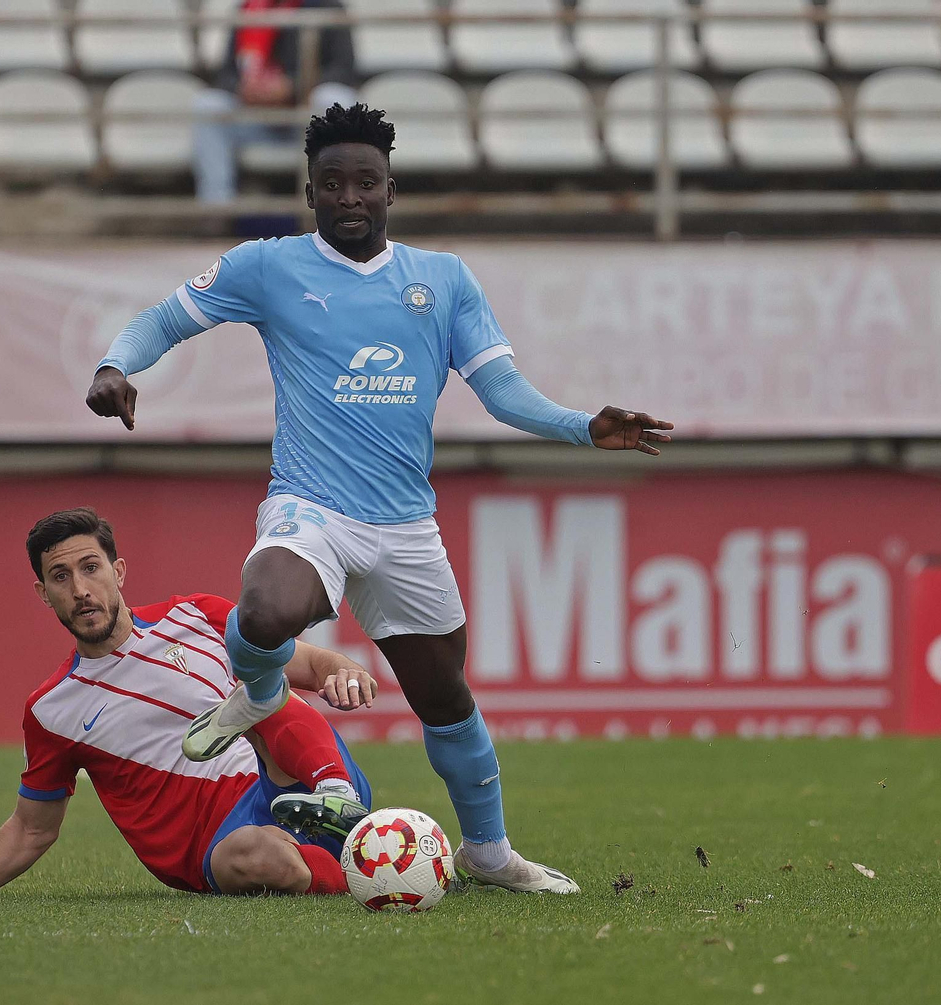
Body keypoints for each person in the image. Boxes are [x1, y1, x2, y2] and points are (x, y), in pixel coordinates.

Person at [86, 104, 672, 894]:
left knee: (445, 697)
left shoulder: (443, 277)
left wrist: (582, 426)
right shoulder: (270, 266)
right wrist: (117, 366)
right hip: (312, 508)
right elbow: (166, 317)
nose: (350, 197)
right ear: (311, 192)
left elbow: (499, 390)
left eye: (365, 182)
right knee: (262, 613)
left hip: (405, 526)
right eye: (333, 184)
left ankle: (489, 853)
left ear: (391, 188)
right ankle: (260, 693)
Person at [0, 508, 379, 901]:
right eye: (61, 577)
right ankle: (368, 861)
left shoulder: (198, 616)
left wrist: (344, 671)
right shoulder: (51, 710)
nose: (80, 589)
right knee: (261, 856)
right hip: (218, 847)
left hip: (287, 780)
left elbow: (313, 664)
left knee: (265, 688)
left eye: (90, 568)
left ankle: (337, 796)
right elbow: (33, 828)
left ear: (118, 572)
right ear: (43, 594)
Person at [194, 0, 357, 204]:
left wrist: (292, 87)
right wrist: (244, 88)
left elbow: (343, 70)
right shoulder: (246, 9)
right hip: (256, 118)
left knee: (333, 98)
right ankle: (216, 211)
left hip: (309, 123)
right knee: (209, 104)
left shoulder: (329, 7)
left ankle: (333, 207)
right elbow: (226, 73)